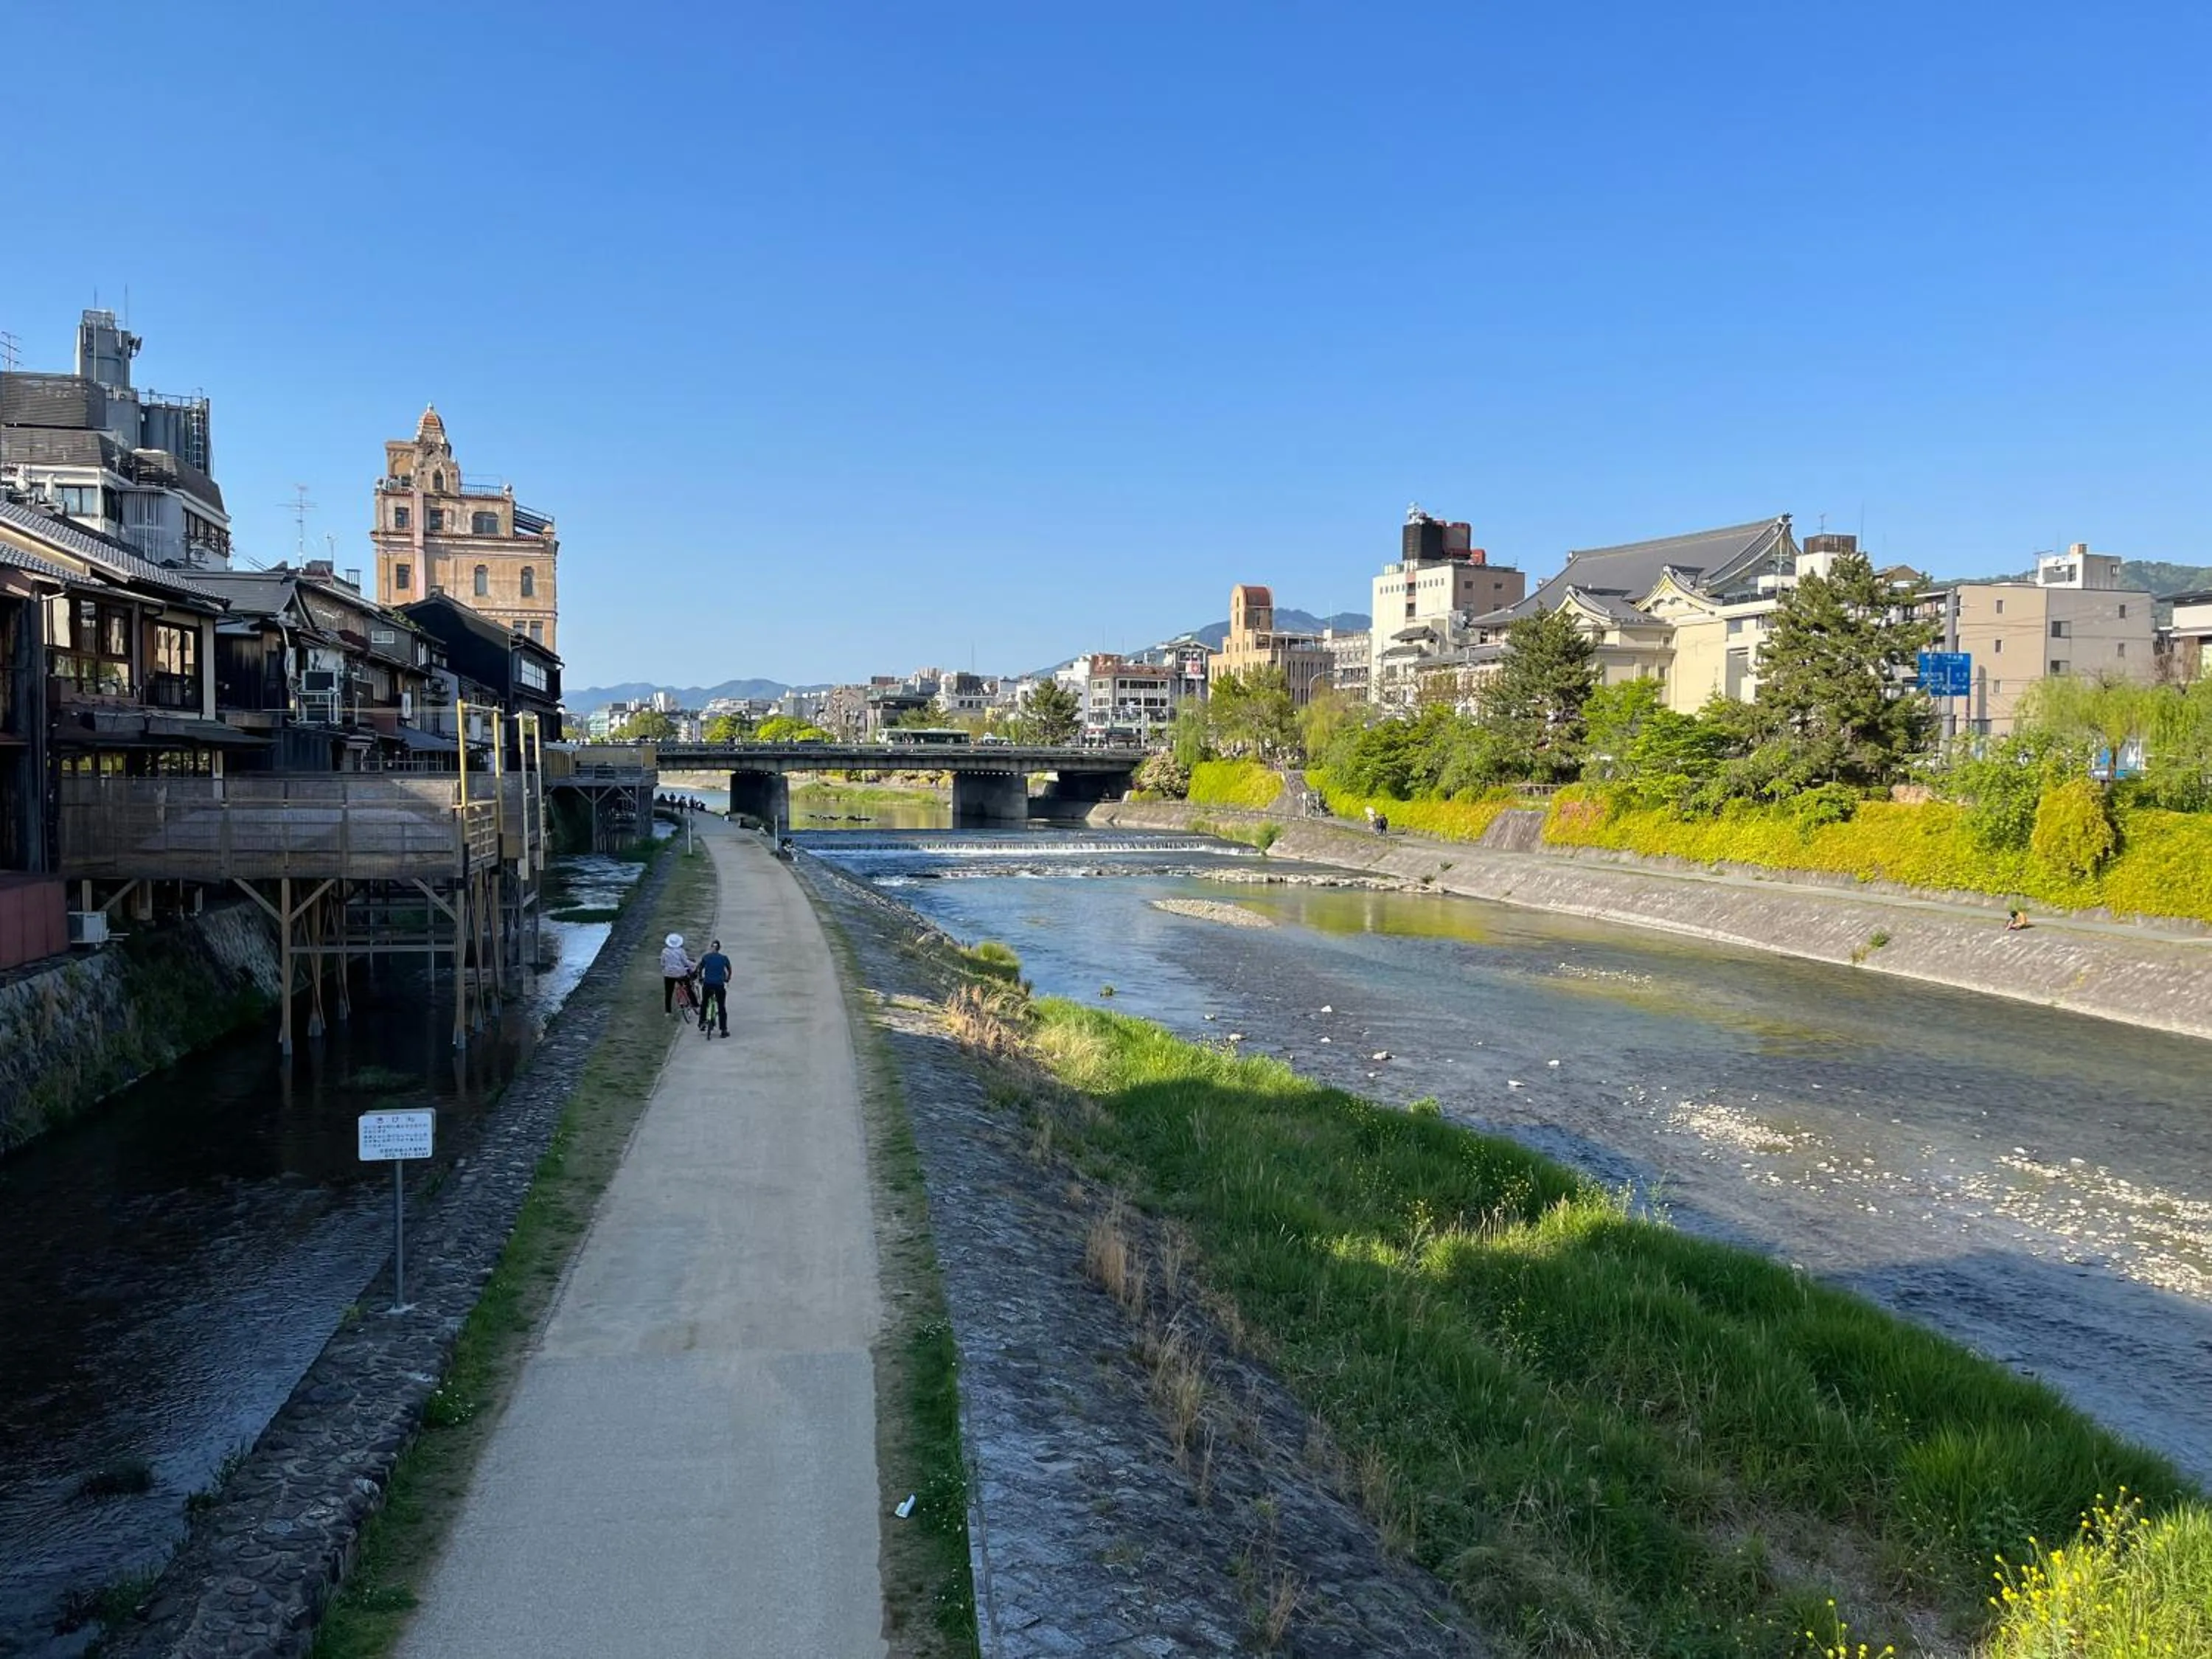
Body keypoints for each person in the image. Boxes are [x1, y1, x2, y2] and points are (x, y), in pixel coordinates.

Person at [697, 938, 733, 1039]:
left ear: (711, 948)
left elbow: (700, 969)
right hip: (719, 985)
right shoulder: (724, 958)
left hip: (708, 984)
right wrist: (727, 979)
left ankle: (702, 1022)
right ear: (719, 948)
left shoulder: (706, 957)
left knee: (704, 1003)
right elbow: (729, 970)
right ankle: (723, 1030)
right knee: (721, 1007)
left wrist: (700, 978)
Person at [659, 932, 698, 1015]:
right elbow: (685, 962)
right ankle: (696, 1005)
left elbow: (662, 963)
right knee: (688, 989)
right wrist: (694, 965)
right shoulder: (681, 951)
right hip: (680, 974)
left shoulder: (664, 951)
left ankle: (668, 1011)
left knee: (668, 992)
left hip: (668, 974)